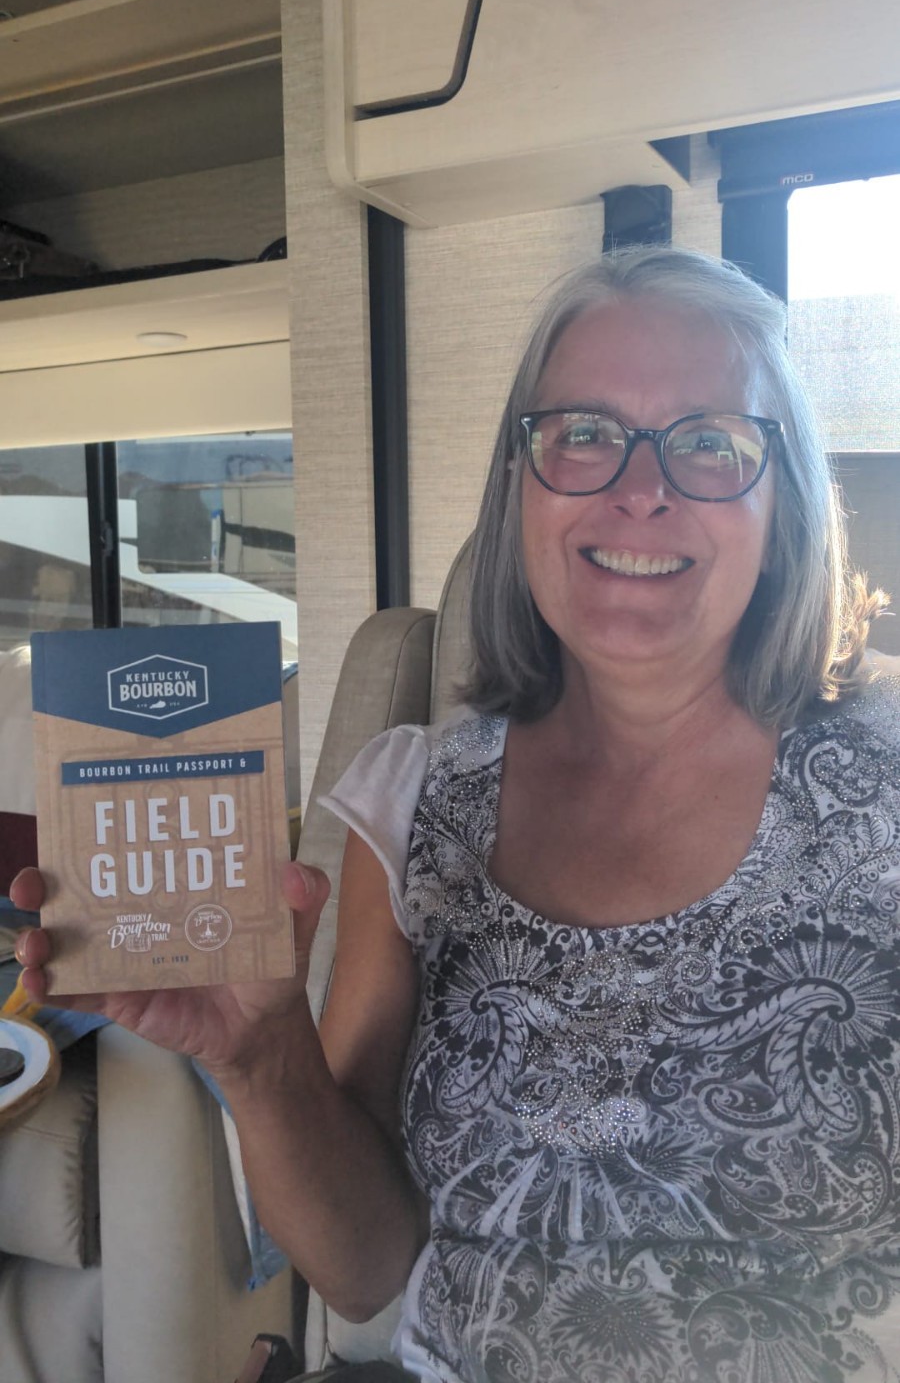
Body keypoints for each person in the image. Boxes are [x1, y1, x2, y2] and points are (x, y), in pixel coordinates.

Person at [12, 246, 900, 1383]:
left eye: (709, 444)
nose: (641, 489)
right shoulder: (414, 800)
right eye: (584, 432)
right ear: (520, 484)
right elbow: (366, 1272)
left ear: (784, 502)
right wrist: (262, 1058)